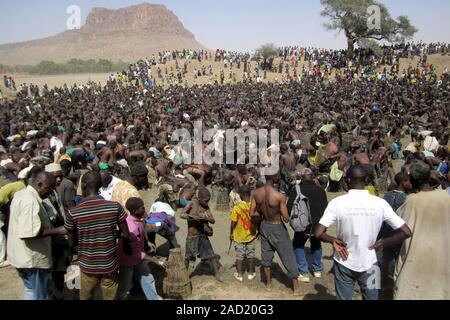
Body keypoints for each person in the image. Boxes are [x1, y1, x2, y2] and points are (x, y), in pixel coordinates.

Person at [315, 165, 412, 300]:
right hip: (371, 261)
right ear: (366, 180)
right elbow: (406, 232)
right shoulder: (380, 203)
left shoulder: (337, 203)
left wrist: (332, 240)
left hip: (343, 260)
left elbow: (318, 233)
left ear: (347, 180)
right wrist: (383, 242)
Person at [65, 171, 130, 300]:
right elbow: (125, 234)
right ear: (100, 185)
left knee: (86, 296)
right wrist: (110, 233)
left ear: (83, 186)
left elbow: (71, 243)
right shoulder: (114, 207)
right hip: (109, 263)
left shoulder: (73, 213)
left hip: (87, 265)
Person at [394, 161, 450, 300]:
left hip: (416, 257)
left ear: (412, 179)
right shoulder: (445, 196)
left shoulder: (412, 201)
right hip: (442, 256)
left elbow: (399, 223)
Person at [7, 170, 67, 300]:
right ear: (39, 184)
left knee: (30, 291)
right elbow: (28, 233)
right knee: (41, 295)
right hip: (33, 260)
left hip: (21, 257)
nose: (50, 192)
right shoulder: (30, 201)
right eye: (49, 188)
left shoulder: (21, 194)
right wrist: (57, 231)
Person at [250, 172, 302, 296]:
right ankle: (296, 288)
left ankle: (268, 284)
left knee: (266, 255)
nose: (279, 177)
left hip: (264, 226)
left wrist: (262, 215)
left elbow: (252, 213)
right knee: (288, 255)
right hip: (277, 227)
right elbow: (285, 218)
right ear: (273, 177)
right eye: (278, 175)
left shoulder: (256, 193)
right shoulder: (279, 196)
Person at [117, 198, 162, 300]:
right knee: (123, 287)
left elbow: (141, 234)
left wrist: (148, 243)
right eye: (142, 208)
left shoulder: (136, 221)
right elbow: (137, 253)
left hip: (137, 259)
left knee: (148, 278)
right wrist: (155, 260)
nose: (144, 209)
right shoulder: (131, 227)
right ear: (135, 211)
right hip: (127, 261)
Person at [288, 168, 328, 283]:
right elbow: (326, 208)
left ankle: (304, 272)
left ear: (301, 177)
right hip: (318, 225)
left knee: (298, 244)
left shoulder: (296, 189)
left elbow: (290, 207)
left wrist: (292, 221)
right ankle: (317, 270)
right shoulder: (320, 190)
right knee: (316, 243)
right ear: (312, 177)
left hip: (302, 224)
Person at [181, 187, 221, 279]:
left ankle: (217, 275)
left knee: (211, 256)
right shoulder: (191, 203)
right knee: (188, 257)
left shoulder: (205, 207)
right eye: (206, 201)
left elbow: (213, 220)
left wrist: (206, 218)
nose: (207, 203)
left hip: (202, 235)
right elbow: (182, 214)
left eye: (208, 201)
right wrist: (192, 217)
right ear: (199, 199)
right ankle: (185, 276)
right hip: (192, 236)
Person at [230, 185, 257, 282]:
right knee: (250, 255)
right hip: (251, 235)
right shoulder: (253, 206)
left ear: (240, 195)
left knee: (239, 256)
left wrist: (231, 232)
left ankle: (240, 274)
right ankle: (250, 273)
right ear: (250, 194)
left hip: (239, 236)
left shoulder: (237, 208)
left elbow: (233, 222)